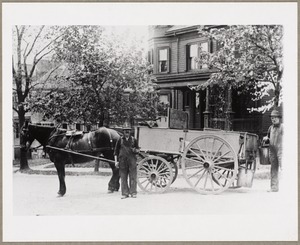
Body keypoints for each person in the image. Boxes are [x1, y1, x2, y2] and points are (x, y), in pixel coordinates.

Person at [114, 122, 139, 199]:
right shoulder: (120, 140)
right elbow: (115, 152)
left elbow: (138, 150)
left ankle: (133, 192)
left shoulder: (134, 140)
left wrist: (135, 150)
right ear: (123, 131)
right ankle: (125, 193)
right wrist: (116, 161)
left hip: (132, 161)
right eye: (125, 131)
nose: (127, 132)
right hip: (122, 162)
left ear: (130, 131)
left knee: (133, 177)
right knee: (123, 177)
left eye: (128, 130)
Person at [263, 108, 283, 192]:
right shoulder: (270, 128)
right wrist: (266, 139)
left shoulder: (283, 127)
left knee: (284, 168)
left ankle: (289, 188)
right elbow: (268, 138)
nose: (273, 119)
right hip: (272, 152)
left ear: (279, 118)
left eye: (275, 117)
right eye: (272, 118)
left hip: (281, 151)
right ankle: (274, 188)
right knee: (273, 170)